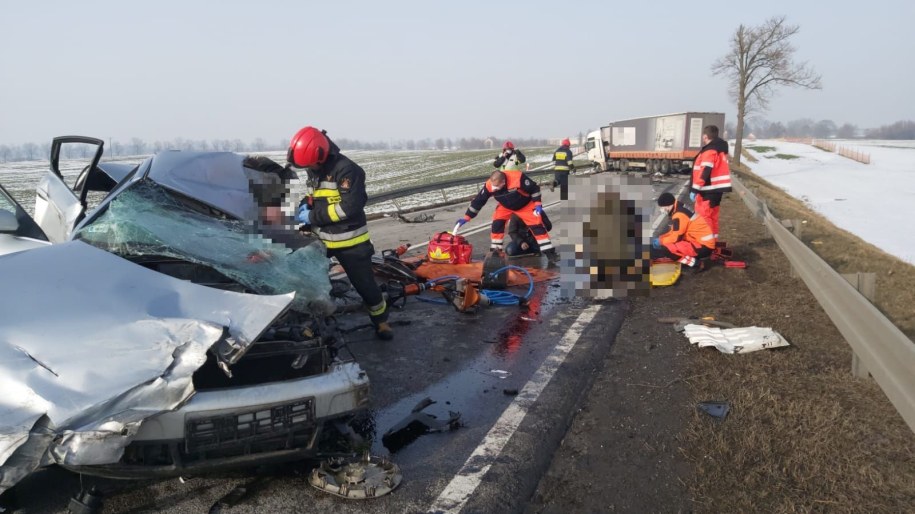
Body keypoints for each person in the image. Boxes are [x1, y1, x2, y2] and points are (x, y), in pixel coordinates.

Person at [288, 126, 393, 340]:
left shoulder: (348, 171)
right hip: (323, 240)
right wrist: (304, 208)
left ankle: (381, 321)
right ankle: (315, 324)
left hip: (351, 242)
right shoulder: (315, 168)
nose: (309, 168)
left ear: (321, 154)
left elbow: (347, 208)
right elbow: (314, 196)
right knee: (314, 283)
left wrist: (313, 217)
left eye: (310, 164)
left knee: (365, 286)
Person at [456, 168, 558, 263]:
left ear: (503, 182)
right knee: (497, 224)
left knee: (537, 227)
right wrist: (467, 217)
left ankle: (550, 253)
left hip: (525, 205)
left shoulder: (517, 178)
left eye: (497, 187)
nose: (494, 189)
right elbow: (479, 201)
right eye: (493, 186)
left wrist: (537, 204)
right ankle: (495, 252)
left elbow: (534, 189)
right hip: (505, 206)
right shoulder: (489, 186)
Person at [650, 192, 715, 272]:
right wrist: (661, 239)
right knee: (668, 244)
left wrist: (660, 242)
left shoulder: (679, 215)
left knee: (668, 249)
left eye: (662, 207)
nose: (662, 210)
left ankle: (697, 263)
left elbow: (675, 238)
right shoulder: (679, 208)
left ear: (668, 205)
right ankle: (692, 258)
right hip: (701, 242)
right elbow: (674, 232)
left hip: (703, 246)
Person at [690, 125, 731, 240]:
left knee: (704, 218)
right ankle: (713, 243)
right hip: (717, 190)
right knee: (713, 218)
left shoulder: (709, 151)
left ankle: (706, 245)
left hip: (707, 191)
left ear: (705, 136)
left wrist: (695, 189)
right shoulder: (720, 149)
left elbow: (705, 171)